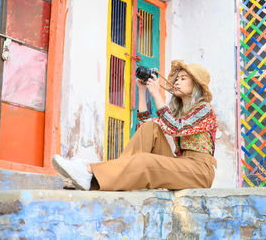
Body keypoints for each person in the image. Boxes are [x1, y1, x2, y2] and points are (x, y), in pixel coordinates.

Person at [52, 60, 217, 191]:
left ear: (195, 84)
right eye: (176, 78)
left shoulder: (204, 109)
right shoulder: (179, 111)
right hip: (181, 163)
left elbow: (175, 127)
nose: (176, 82)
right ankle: (101, 178)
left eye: (183, 79)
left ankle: (90, 171)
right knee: (150, 128)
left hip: (199, 171)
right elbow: (146, 124)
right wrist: (142, 91)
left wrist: (156, 95)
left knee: (147, 161)